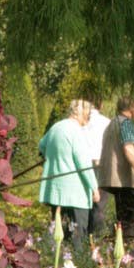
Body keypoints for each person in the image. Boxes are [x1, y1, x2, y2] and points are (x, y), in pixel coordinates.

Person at [38, 100, 100, 248]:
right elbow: (83, 164)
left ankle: (55, 265)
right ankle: (77, 266)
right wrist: (94, 188)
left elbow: (41, 145)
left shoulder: (56, 127)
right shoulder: (76, 131)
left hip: (56, 191)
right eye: (88, 113)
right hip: (75, 194)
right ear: (79, 112)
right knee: (78, 237)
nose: (89, 116)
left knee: (58, 234)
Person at [97, 97, 134, 246]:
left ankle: (122, 245)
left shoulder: (112, 124)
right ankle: (132, 246)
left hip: (120, 181)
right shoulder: (126, 124)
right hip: (130, 181)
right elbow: (129, 148)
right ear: (131, 109)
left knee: (124, 216)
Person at [83, 96, 112, 235]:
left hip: (84, 166)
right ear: (100, 105)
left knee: (83, 203)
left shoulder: (80, 123)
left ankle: (82, 236)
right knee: (99, 205)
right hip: (103, 165)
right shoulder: (107, 122)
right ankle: (96, 238)